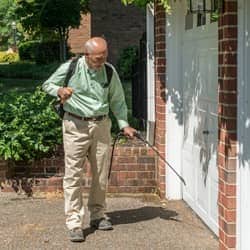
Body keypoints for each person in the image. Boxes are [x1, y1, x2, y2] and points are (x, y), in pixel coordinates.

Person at [42, 37, 136, 242]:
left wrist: (124, 124)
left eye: (104, 58)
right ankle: (74, 223)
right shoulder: (72, 67)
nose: (100, 63)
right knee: (73, 174)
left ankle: (98, 215)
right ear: (87, 55)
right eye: (96, 59)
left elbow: (118, 100)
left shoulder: (109, 71)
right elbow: (47, 84)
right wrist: (59, 90)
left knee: (101, 173)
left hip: (101, 125)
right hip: (75, 125)